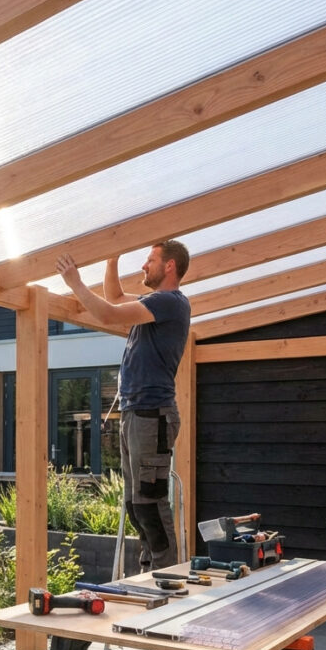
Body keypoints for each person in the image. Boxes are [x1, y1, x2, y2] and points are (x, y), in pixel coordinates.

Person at [56, 240, 191, 571]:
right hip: (136, 411)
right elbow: (114, 296)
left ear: (170, 265)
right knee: (134, 503)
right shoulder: (154, 304)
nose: (144, 266)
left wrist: (74, 282)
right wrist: (111, 256)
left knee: (150, 500)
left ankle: (167, 577)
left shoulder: (171, 302)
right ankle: (150, 571)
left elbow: (106, 312)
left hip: (152, 413)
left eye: (150, 260)